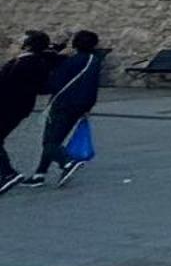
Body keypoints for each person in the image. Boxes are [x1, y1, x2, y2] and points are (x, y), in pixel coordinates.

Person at [22, 29, 104, 188]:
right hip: (81, 105)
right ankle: (40, 174)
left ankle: (67, 163)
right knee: (55, 140)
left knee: (50, 141)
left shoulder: (72, 62)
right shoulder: (94, 60)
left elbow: (53, 84)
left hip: (63, 104)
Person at [0, 31, 60, 193]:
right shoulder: (36, 61)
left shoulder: (24, 64)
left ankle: (7, 173)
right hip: (18, 106)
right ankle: (6, 172)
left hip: (9, 105)